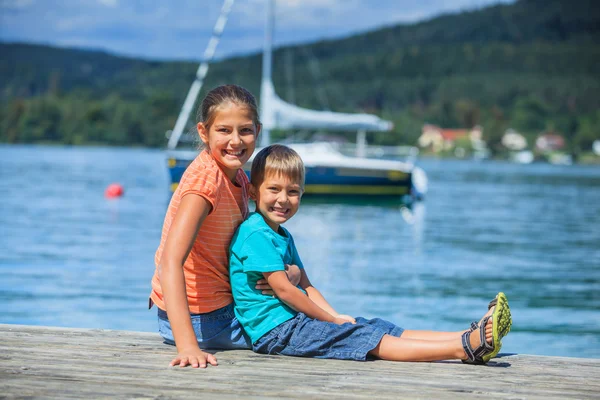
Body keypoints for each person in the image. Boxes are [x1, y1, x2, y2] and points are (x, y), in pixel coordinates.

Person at [230, 144, 512, 364]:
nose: (283, 199)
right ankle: (465, 349)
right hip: (278, 333)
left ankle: (467, 335)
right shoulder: (255, 233)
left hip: (295, 323)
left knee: (373, 325)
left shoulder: (281, 235)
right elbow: (286, 291)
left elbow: (305, 285)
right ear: (254, 191)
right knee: (366, 337)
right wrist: (330, 321)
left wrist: (337, 315)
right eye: (274, 189)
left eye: (293, 191)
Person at [149, 85, 300, 368]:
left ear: (258, 130)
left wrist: (289, 274)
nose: (235, 140)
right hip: (201, 320)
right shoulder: (205, 183)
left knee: (309, 312)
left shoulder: (239, 179)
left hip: (218, 310)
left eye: (245, 130)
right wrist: (187, 346)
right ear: (204, 133)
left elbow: (254, 247)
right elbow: (170, 261)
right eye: (224, 131)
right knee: (305, 327)